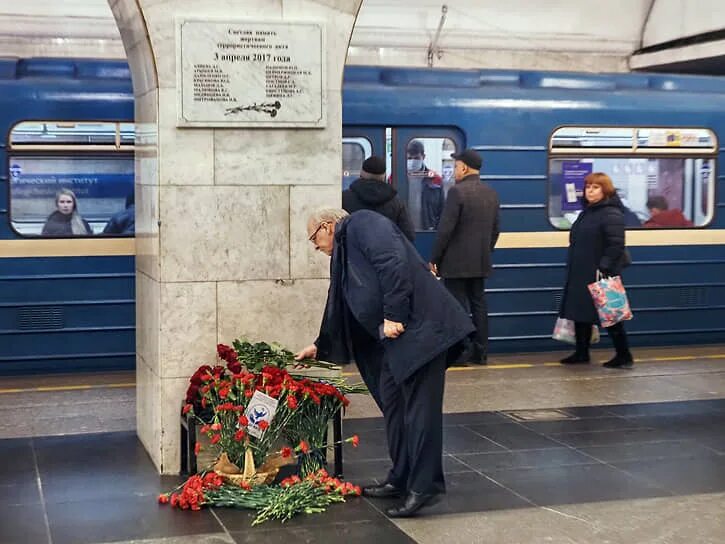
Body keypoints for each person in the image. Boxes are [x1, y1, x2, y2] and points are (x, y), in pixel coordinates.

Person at [295, 208, 474, 518]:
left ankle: (424, 487)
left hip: (422, 332)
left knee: (420, 412)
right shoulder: (346, 248)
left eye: (314, 239)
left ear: (327, 226)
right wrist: (320, 344)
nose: (317, 247)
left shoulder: (364, 223)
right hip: (398, 341)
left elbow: (394, 264)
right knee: (395, 406)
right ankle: (401, 476)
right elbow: (338, 300)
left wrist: (395, 315)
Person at [429, 149, 500, 366]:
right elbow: (496, 230)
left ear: (464, 168)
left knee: (457, 307)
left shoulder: (457, 192)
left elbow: (445, 230)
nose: (454, 170)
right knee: (478, 305)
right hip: (480, 260)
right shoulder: (491, 193)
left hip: (456, 262)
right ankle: (481, 352)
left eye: (455, 166)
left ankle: (461, 353)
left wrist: (435, 259)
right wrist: (485, 251)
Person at [559, 172, 634, 369]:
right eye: (588, 187)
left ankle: (623, 354)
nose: (590, 191)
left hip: (599, 271)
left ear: (605, 190)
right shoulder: (588, 211)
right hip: (581, 270)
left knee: (610, 314)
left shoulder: (611, 213)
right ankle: (581, 352)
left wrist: (605, 266)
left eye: (595, 187)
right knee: (580, 312)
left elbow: (616, 243)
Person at [342, 156, 415, 241]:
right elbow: (409, 235)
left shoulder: (344, 198)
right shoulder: (396, 202)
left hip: (353, 252)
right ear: (384, 176)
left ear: (361, 173)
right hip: (386, 252)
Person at [407, 140, 444, 230]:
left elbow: (442, 209)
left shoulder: (436, 179)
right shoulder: (395, 177)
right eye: (409, 158)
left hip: (427, 231)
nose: (412, 161)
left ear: (423, 157)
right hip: (403, 232)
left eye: (416, 158)